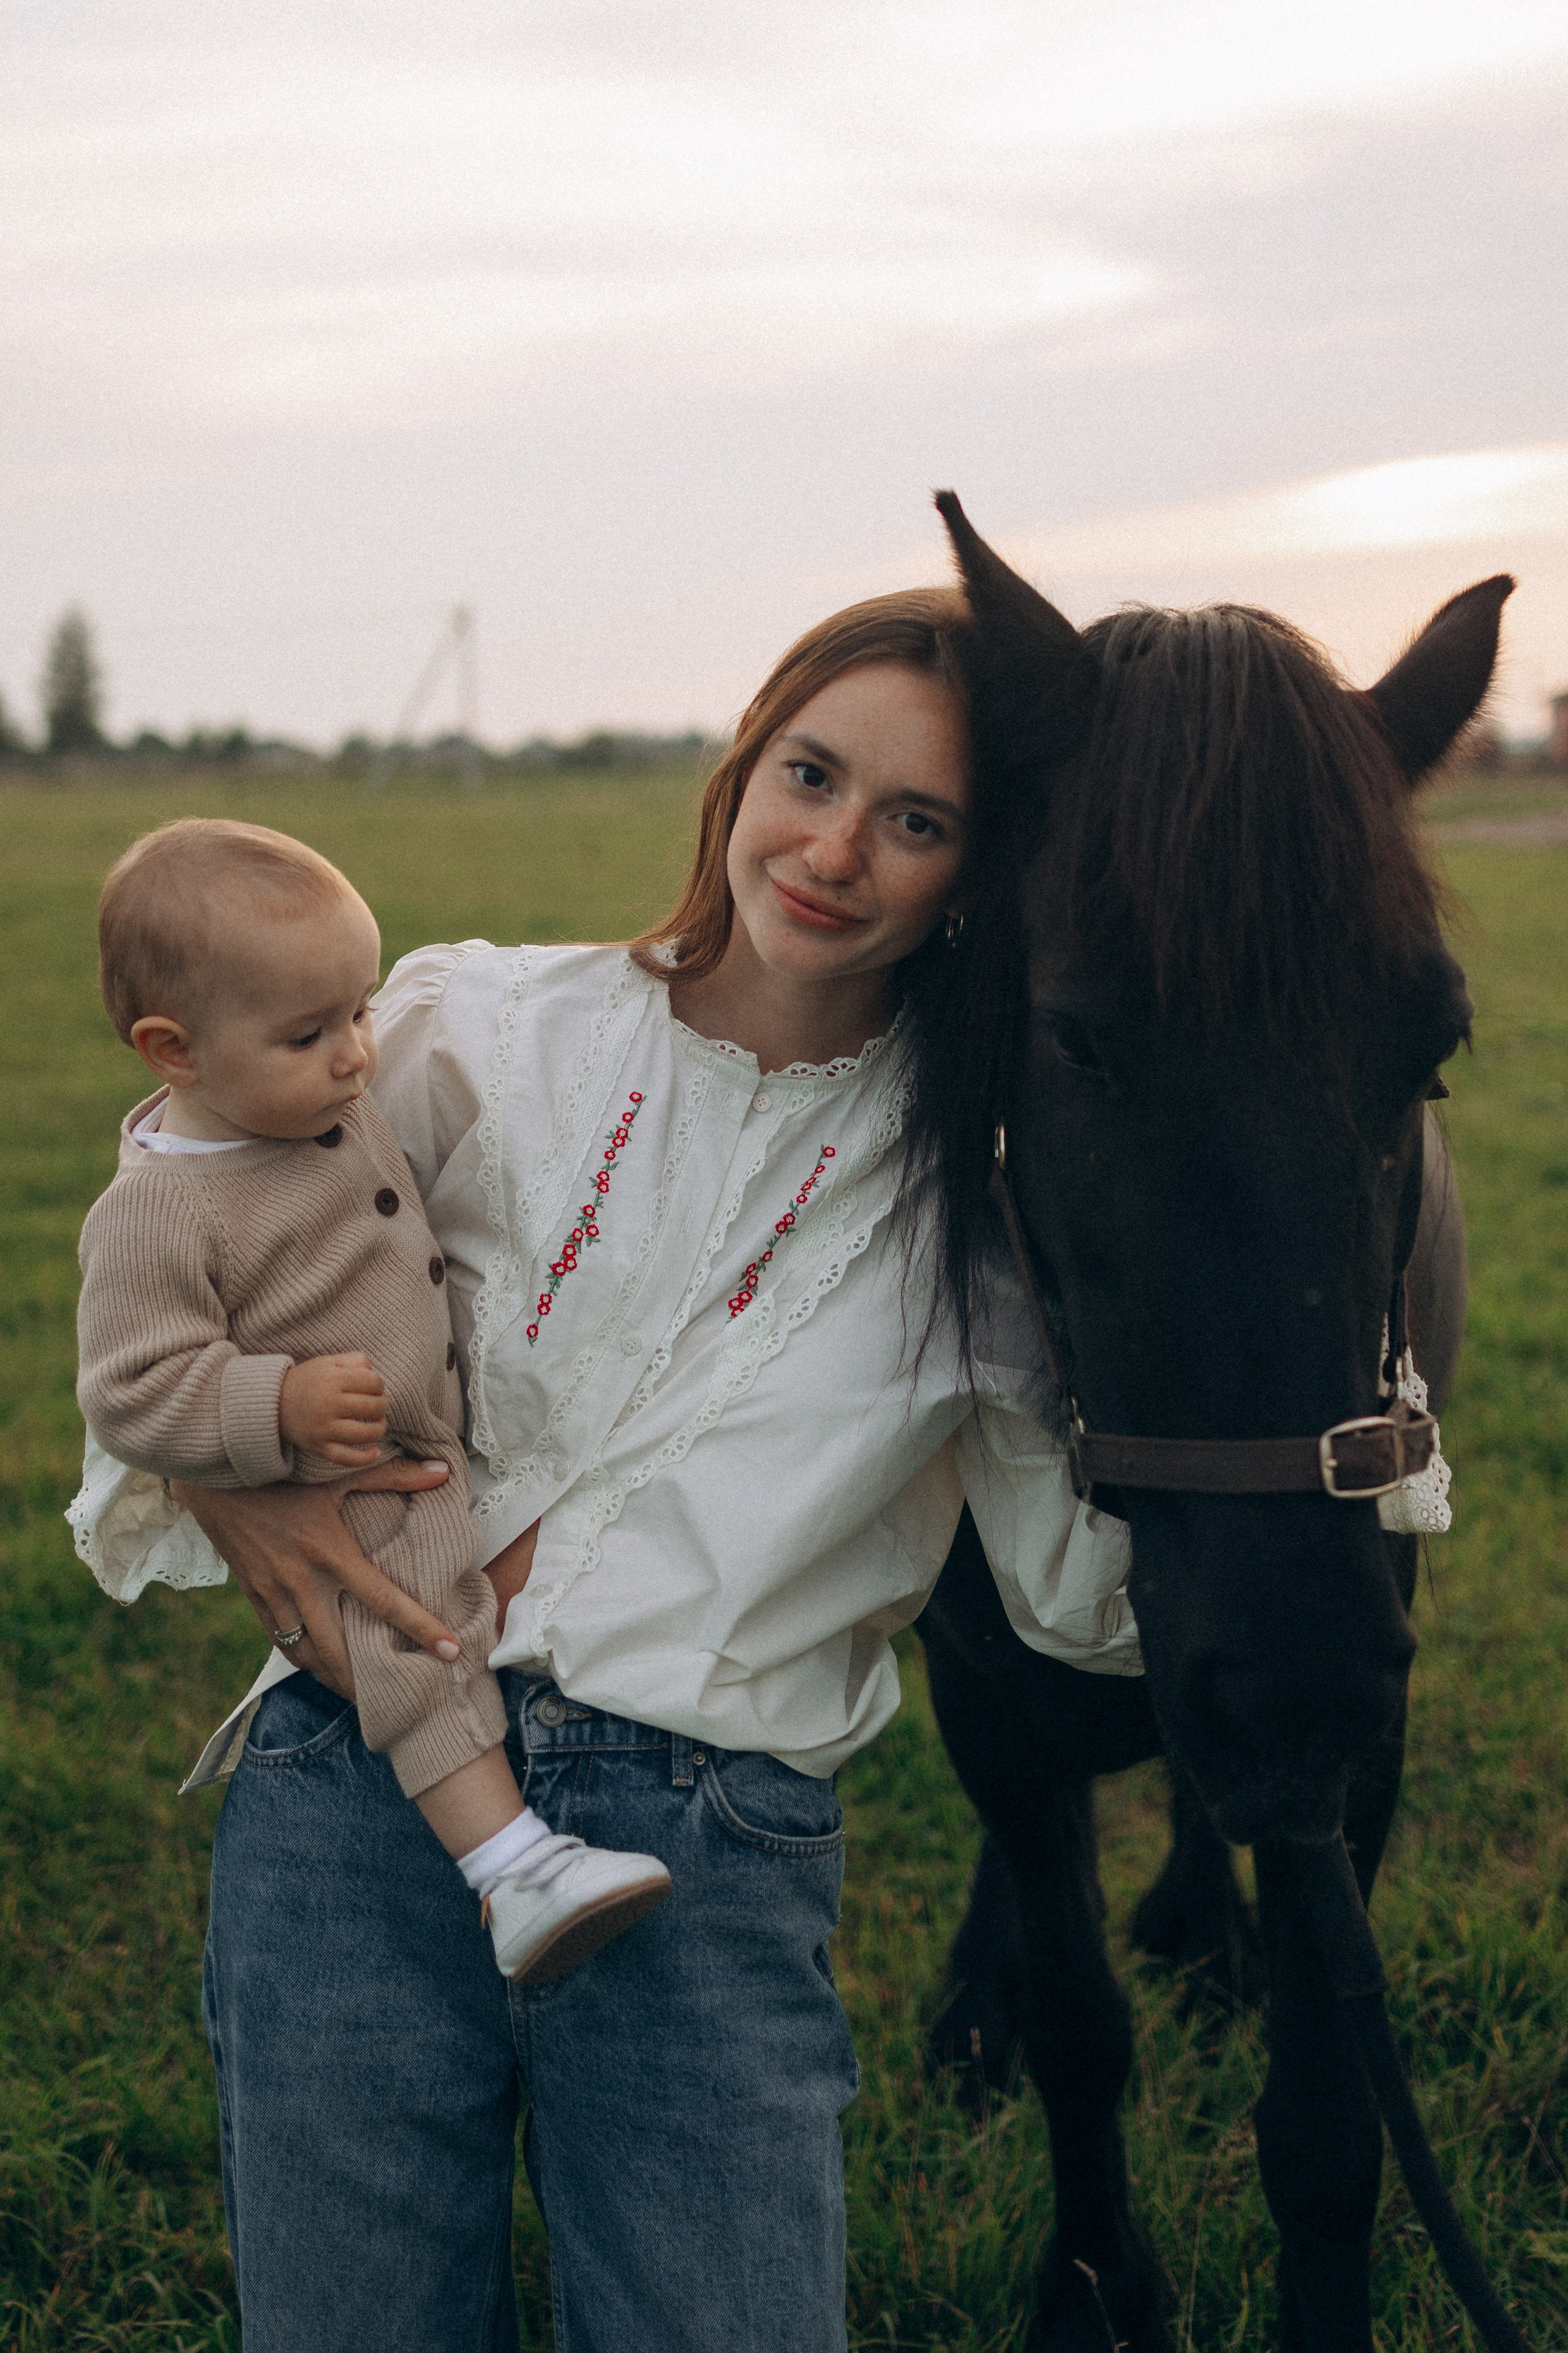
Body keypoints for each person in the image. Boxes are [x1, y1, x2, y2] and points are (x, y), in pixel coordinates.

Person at [70, 586, 1141, 2353]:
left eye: (920, 820)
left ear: (982, 868)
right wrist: (241, 1466)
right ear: (741, 771)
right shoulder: (477, 1029)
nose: (836, 847)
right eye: (811, 773)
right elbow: (190, 1208)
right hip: (354, 1798)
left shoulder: (990, 1213)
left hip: (704, 1852)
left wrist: (1282, 1380)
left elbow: (1081, 1609)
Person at [75, 819, 671, 1981]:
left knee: (444, 1616)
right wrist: (278, 1406)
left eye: (357, 1011)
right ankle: (513, 1868)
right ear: (172, 1049)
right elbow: (130, 1390)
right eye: (311, 1033)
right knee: (414, 1639)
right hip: (337, 1480)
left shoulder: (313, 1109)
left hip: (422, 1443)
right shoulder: (160, 1210)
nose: (358, 1053)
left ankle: (516, 1853)